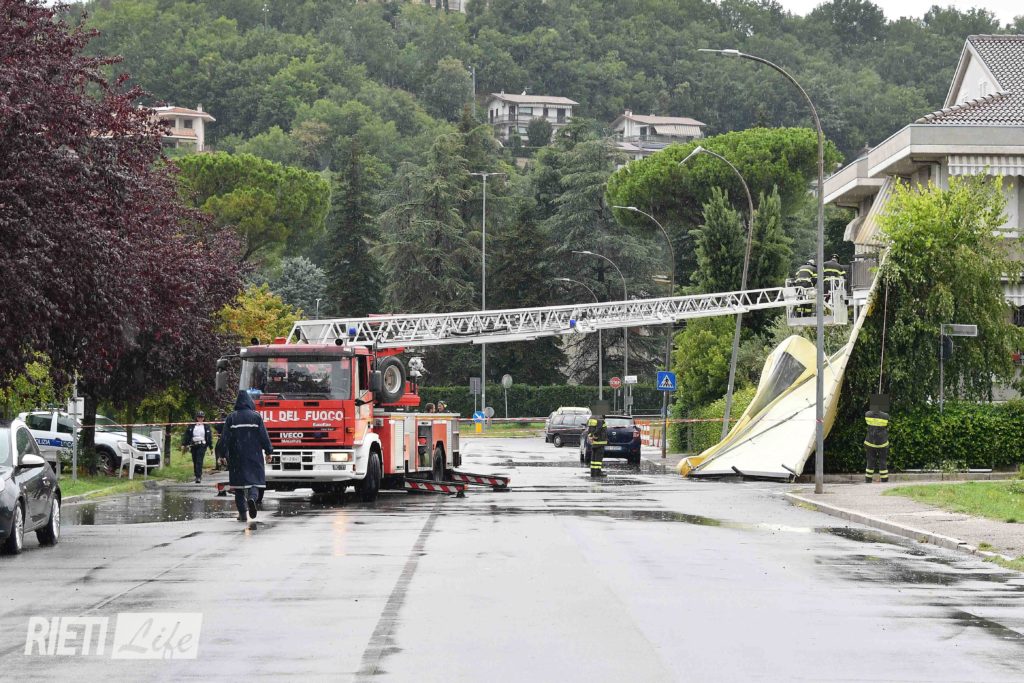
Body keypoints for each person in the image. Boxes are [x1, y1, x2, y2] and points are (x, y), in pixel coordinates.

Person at [224, 390, 274, 526]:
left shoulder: (231, 418)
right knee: (255, 482)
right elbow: (264, 436)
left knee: (238, 486)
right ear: (249, 402)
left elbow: (225, 438)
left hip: (236, 456)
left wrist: (222, 455)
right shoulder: (256, 417)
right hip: (254, 455)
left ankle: (242, 514)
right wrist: (269, 451)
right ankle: (252, 498)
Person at [180, 411, 213, 484]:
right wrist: (184, 444)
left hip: (202, 445)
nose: (200, 419)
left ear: (204, 418)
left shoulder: (206, 426)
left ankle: (198, 476)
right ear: (196, 417)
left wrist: (211, 447)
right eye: (199, 417)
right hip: (194, 445)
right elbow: (187, 435)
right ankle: (196, 474)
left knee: (199, 460)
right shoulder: (192, 425)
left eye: (202, 417)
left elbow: (209, 437)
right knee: (194, 460)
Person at [864, 405, 890, 483]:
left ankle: (868, 479)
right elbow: (886, 423)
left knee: (870, 461)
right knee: (883, 461)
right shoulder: (886, 416)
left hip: (870, 442)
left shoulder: (867, 415)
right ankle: (884, 479)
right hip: (882, 443)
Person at [585, 413, 608, 478]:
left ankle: (593, 472)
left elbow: (589, 429)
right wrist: (595, 435)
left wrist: (590, 436)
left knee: (594, 458)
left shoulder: (591, 418)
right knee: (598, 459)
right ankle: (598, 472)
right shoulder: (600, 418)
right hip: (600, 441)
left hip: (594, 442)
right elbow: (599, 428)